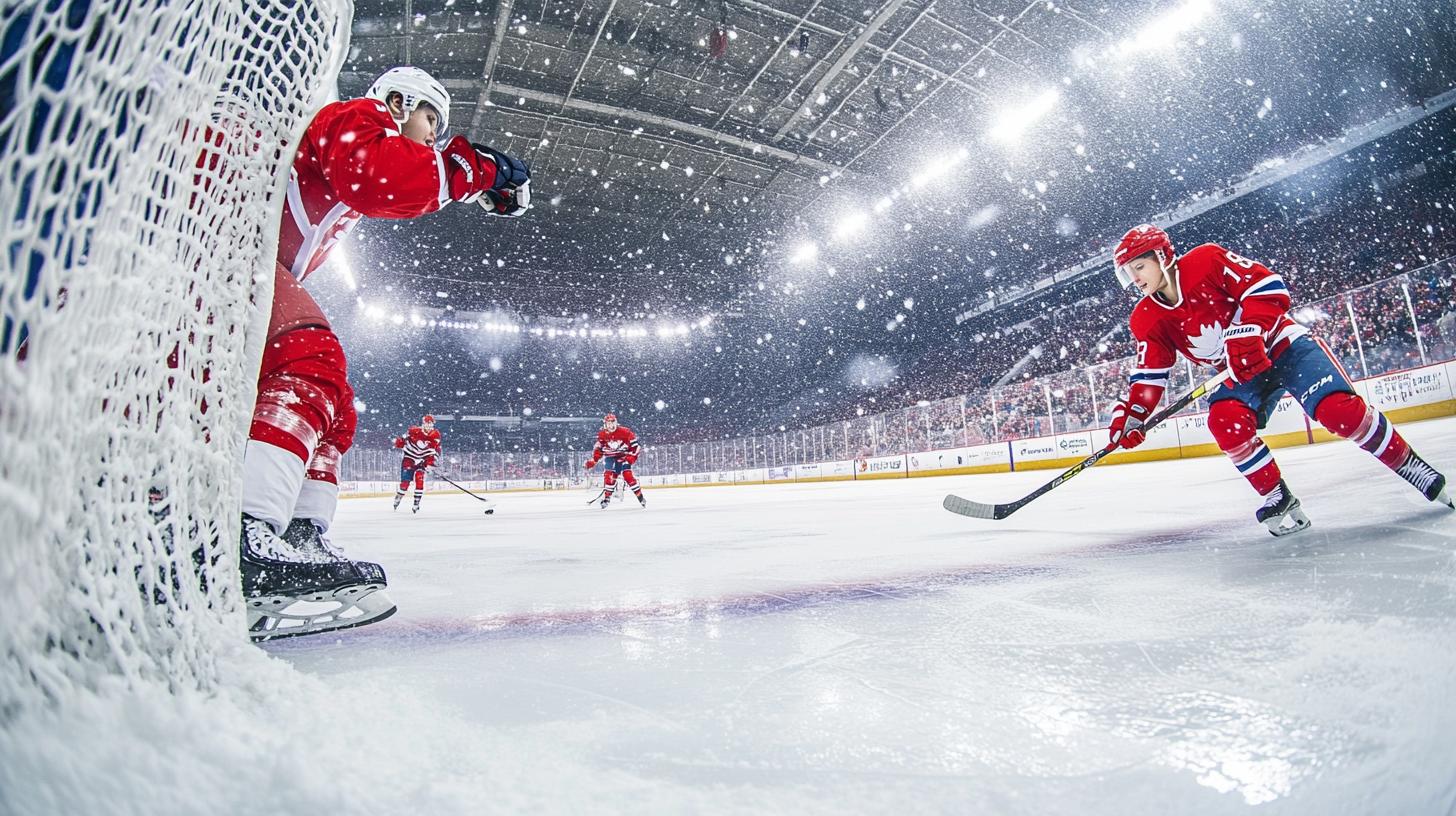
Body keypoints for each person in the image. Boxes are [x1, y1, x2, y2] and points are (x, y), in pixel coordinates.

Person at [239, 66, 532, 638]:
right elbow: (383, 180)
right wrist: (479, 168)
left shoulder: (357, 135)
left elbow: (396, 182)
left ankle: (301, 533)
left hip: (244, 268)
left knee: (337, 405)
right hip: (228, 264)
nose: (432, 136)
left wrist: (465, 179)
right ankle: (244, 531)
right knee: (311, 362)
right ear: (398, 102)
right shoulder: (357, 116)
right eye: (430, 120)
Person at [1106, 224, 1451, 536]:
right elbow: (1150, 374)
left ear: (1163, 256)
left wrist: (1248, 329)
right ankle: (1277, 496)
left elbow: (1269, 285)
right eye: (1128, 272)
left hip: (1281, 345)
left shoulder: (1206, 261)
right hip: (1238, 371)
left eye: (1139, 266)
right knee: (1224, 422)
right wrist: (1133, 416)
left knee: (1338, 412)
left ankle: (1409, 465)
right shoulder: (1146, 318)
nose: (1135, 278)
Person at [584, 413, 645, 509]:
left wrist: (630, 457)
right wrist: (593, 460)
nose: (611, 426)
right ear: (605, 424)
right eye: (608, 424)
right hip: (610, 457)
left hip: (624, 456)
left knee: (627, 475)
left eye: (612, 423)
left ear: (616, 423)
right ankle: (607, 498)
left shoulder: (625, 432)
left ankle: (640, 496)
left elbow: (636, 447)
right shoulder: (602, 434)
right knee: (609, 476)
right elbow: (598, 449)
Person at [393, 414, 442, 513]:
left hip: (422, 462)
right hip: (409, 459)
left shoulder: (435, 435)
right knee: (405, 484)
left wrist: (429, 463)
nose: (428, 426)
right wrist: (399, 442)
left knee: (420, 480)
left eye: (430, 424)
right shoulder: (414, 431)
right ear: (423, 424)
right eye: (426, 423)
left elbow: (434, 451)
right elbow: (403, 441)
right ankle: (398, 498)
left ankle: (416, 503)